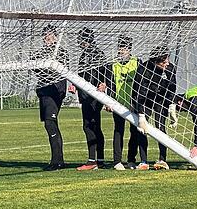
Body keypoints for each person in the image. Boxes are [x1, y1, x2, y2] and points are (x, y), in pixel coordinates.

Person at [32, 26, 73, 170]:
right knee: (49, 124)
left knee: (51, 122)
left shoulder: (61, 52)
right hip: (44, 91)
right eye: (44, 35)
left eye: (49, 35)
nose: (46, 38)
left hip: (55, 91)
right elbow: (35, 66)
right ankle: (56, 160)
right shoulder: (41, 53)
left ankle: (58, 161)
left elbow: (59, 71)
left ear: (55, 36)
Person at [103, 35, 147, 170]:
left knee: (135, 132)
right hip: (118, 104)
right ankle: (117, 161)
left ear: (129, 49)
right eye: (120, 48)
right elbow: (110, 85)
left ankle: (131, 160)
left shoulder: (137, 62)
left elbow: (140, 84)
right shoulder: (113, 65)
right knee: (118, 131)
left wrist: (138, 102)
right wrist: (109, 102)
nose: (122, 51)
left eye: (124, 48)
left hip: (133, 104)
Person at [132, 48, 177, 170]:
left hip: (160, 99)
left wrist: (171, 106)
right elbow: (139, 92)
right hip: (145, 100)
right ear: (156, 61)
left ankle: (162, 160)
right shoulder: (143, 70)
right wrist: (141, 114)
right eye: (164, 61)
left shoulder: (170, 68)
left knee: (161, 127)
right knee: (142, 129)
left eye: (168, 60)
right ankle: (143, 161)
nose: (167, 63)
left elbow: (172, 87)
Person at [75, 27, 109, 170]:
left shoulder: (95, 54)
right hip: (86, 95)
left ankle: (92, 161)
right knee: (95, 126)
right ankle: (99, 159)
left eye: (81, 39)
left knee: (89, 126)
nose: (79, 42)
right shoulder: (86, 54)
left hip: (93, 95)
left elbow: (104, 72)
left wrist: (103, 84)